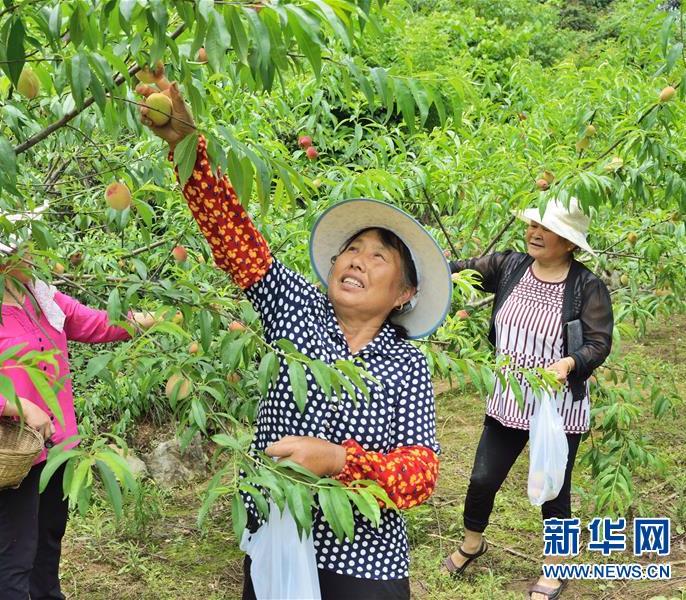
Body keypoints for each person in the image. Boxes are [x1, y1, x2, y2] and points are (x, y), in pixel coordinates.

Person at [137, 80, 452, 599]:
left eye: (379, 257)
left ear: (404, 294)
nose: (356, 260)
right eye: (352, 248)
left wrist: (339, 461)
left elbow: (419, 474)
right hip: (277, 535)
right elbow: (234, 236)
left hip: (363, 558)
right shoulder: (298, 307)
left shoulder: (407, 365)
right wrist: (187, 147)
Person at [0, 209, 154, 599]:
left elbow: (93, 323)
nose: (30, 252)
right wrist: (20, 406)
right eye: (21, 246)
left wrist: (146, 320)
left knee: (49, 540)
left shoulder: (40, 297)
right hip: (18, 451)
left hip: (58, 445)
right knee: (18, 549)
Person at [441, 198, 613, 600]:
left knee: (554, 487)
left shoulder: (587, 286)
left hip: (557, 406)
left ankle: (555, 567)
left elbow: (599, 342)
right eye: (532, 224)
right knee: (483, 477)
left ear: (569, 242)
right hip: (509, 397)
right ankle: (472, 543)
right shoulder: (510, 266)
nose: (534, 232)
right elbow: (456, 272)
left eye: (546, 228)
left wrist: (570, 362)